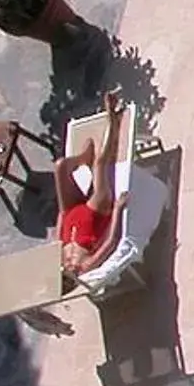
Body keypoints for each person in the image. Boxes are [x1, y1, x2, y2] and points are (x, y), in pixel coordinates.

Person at [53, 93, 125, 279]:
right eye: (68, 272)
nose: (68, 265)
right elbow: (110, 242)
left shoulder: (59, 261)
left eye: (65, 269)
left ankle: (83, 157)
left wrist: (62, 214)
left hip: (70, 212)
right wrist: (117, 209)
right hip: (97, 210)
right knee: (100, 164)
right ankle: (113, 119)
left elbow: (58, 237)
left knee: (60, 166)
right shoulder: (85, 266)